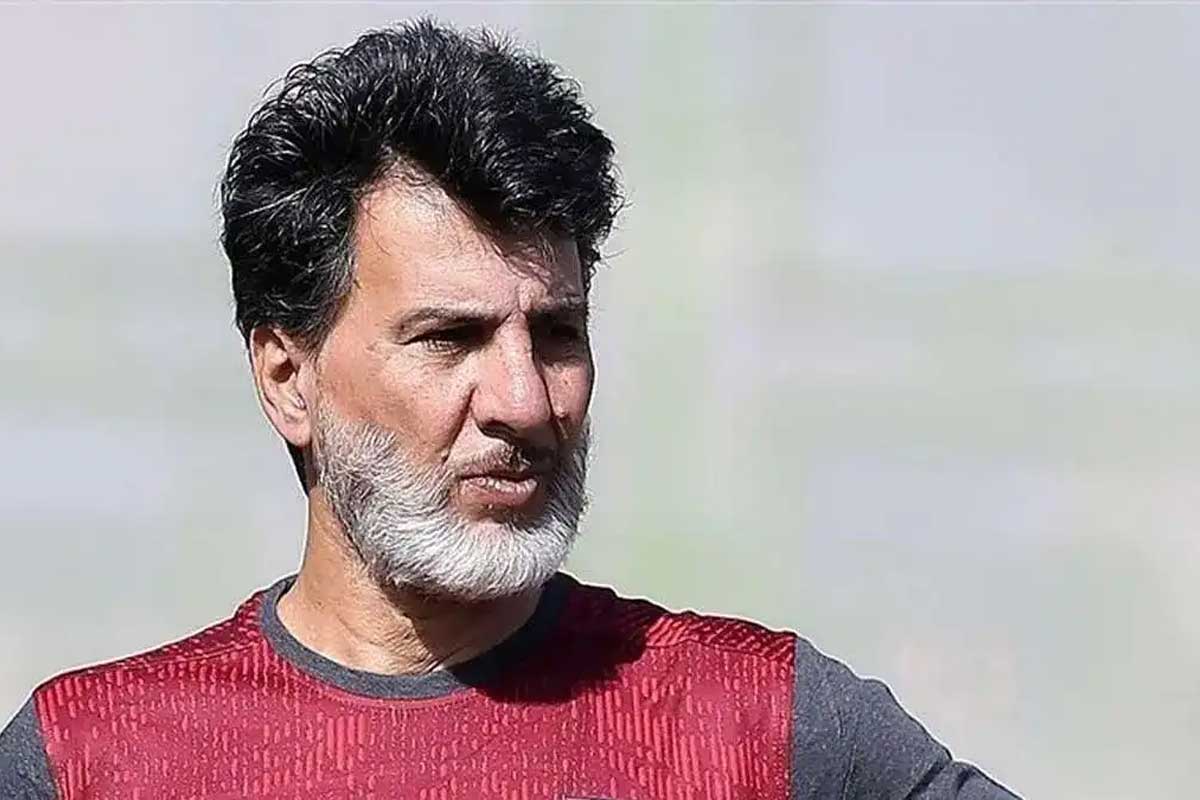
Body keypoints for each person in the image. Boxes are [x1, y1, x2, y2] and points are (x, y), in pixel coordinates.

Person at [0, 19, 1020, 800]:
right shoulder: (94, 757)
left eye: (559, 332)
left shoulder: (763, 728)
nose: (526, 401)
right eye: (450, 338)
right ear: (285, 377)